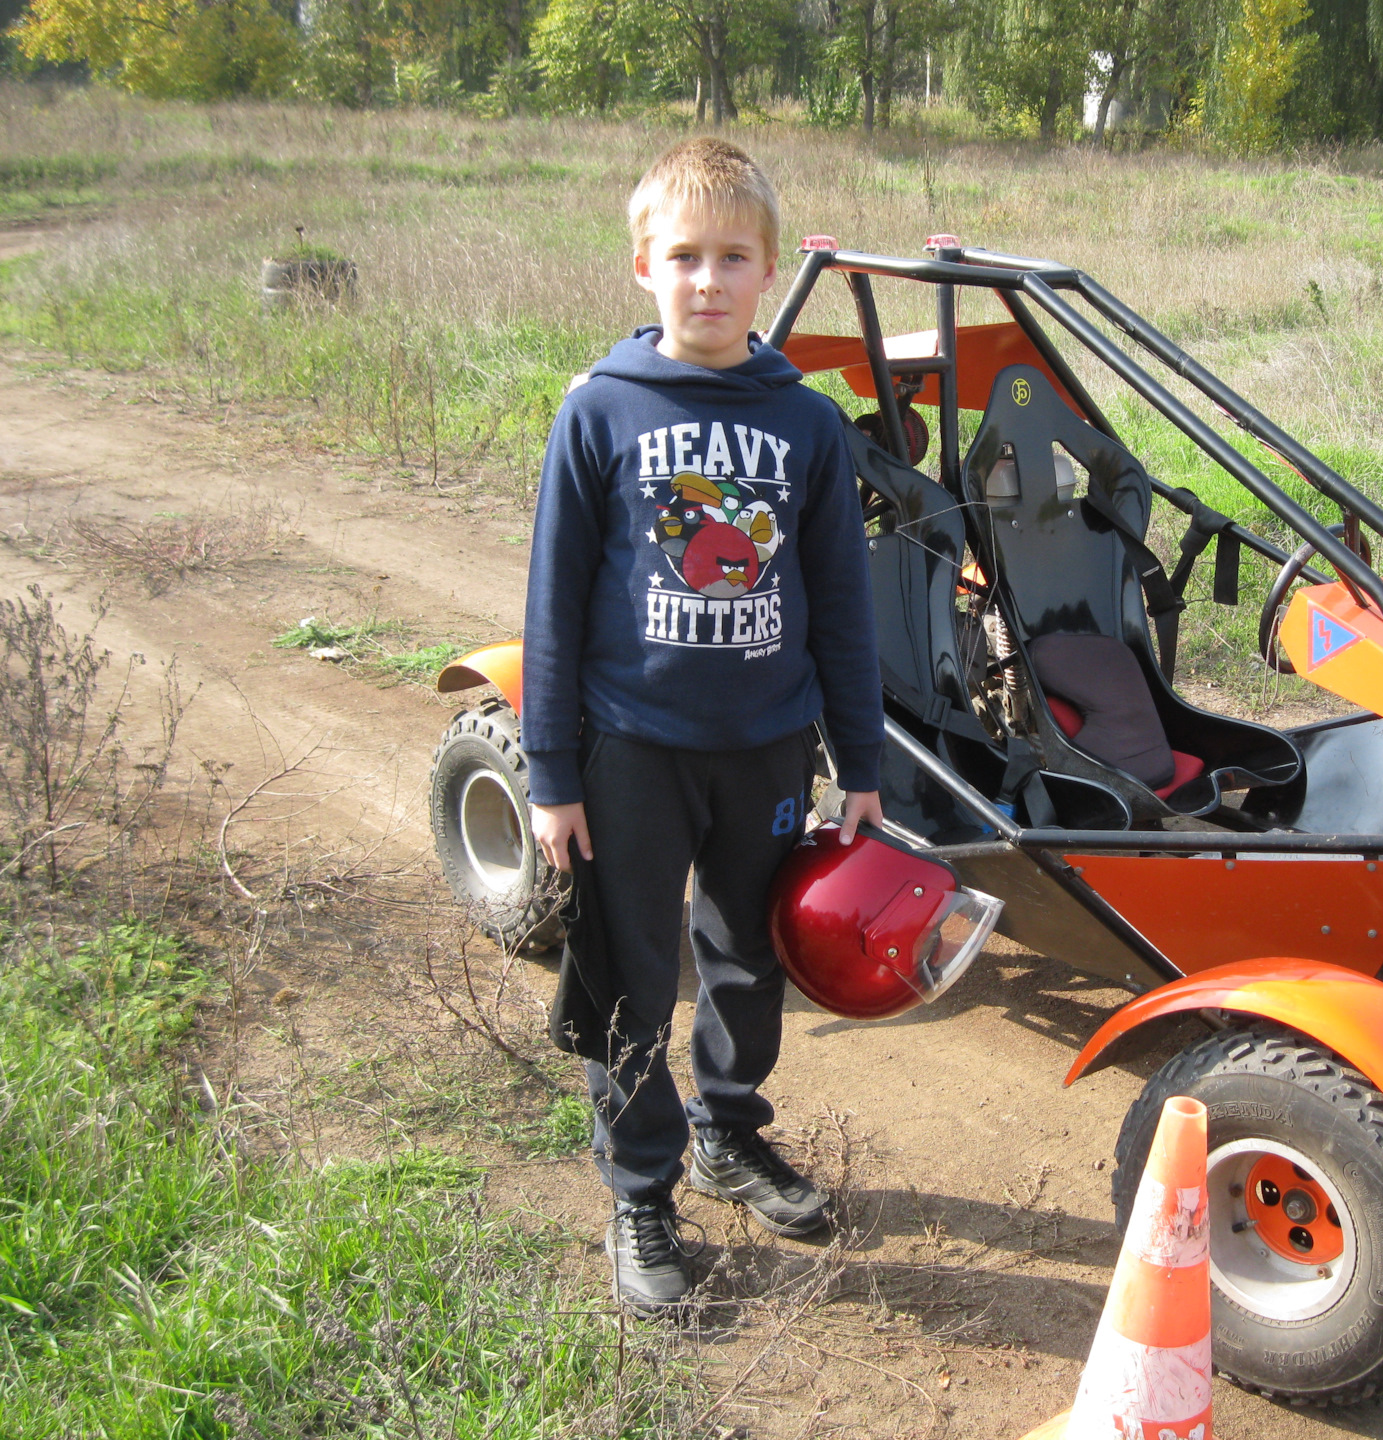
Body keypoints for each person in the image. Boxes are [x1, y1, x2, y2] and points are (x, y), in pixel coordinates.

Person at [520, 137, 884, 1311]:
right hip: (629, 751)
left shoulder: (811, 427)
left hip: (768, 748)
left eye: (735, 258)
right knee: (632, 974)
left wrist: (861, 760)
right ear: (643, 265)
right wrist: (551, 773)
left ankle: (730, 1132)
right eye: (686, 257)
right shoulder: (600, 413)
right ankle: (641, 1189)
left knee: (745, 962)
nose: (710, 281)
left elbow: (840, 604)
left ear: (770, 272)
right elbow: (555, 605)